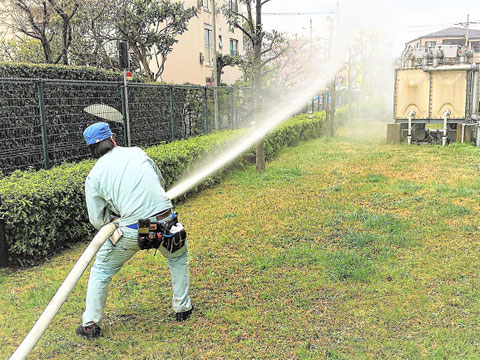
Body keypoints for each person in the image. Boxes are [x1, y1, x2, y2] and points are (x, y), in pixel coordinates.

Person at [76, 122, 193, 339]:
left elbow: (97, 220)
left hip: (135, 229)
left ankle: (91, 325)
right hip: (167, 222)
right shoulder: (137, 152)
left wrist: (112, 218)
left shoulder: (94, 175)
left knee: (101, 270)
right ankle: (182, 309)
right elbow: (159, 181)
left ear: (91, 149)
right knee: (178, 258)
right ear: (112, 139)